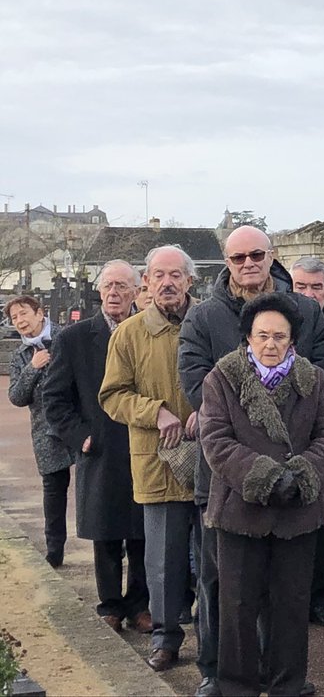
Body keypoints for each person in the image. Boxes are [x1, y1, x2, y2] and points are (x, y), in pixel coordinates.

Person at [179, 227, 324, 695]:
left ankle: (289, 681)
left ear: (293, 340)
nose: (271, 343)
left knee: (290, 602)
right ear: (248, 337)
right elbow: (214, 432)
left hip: (298, 503)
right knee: (234, 601)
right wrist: (264, 474)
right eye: (262, 335)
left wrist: (302, 473)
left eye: (280, 337)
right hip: (238, 499)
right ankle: (233, 682)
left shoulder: (312, 370)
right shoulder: (219, 368)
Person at [99, 245, 202, 674]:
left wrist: (210, 406)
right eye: (158, 275)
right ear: (146, 282)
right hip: (157, 462)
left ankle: (216, 642)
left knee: (214, 559)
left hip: (212, 459)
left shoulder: (212, 321)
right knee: (161, 561)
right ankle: (165, 639)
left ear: (190, 281)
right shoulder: (129, 333)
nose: (167, 283)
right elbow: (111, 396)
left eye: (175, 275)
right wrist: (154, 411)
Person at [43, 261, 151, 633]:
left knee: (142, 532)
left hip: (142, 442)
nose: (115, 293)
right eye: (109, 286)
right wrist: (80, 436)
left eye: (123, 286)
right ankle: (109, 604)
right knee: (106, 532)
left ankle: (140, 605)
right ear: (99, 291)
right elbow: (54, 398)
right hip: (100, 448)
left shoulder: (148, 332)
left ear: (137, 291)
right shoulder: (74, 338)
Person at [290, 257, 324, 629]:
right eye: (301, 287)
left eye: (316, 287)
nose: (309, 295)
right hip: (283, 439)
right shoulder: (276, 324)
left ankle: (319, 598)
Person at [7, 295, 72, 568]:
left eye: (24, 314)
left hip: (78, 424)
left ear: (39, 313)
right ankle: (54, 551)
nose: (20, 321)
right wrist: (32, 369)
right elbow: (17, 397)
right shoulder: (21, 356)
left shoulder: (67, 337)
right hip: (46, 433)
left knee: (97, 488)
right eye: (14, 318)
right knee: (54, 494)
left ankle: (116, 546)